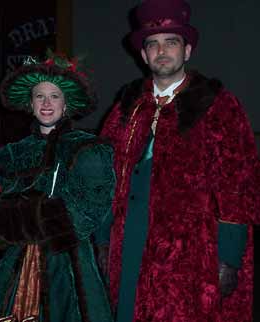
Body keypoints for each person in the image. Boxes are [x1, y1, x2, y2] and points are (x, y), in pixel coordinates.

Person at [100, 1, 260, 321]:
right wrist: (103, 241)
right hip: (130, 239)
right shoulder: (126, 107)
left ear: (187, 51)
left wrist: (227, 257)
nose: (162, 51)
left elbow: (240, 187)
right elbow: (103, 177)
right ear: (143, 55)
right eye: (153, 44)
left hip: (191, 252)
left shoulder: (218, 106)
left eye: (170, 42)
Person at [0, 55, 115, 322]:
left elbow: (89, 209)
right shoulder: (11, 154)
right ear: (30, 104)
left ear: (66, 104)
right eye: (39, 96)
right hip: (17, 262)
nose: (46, 103)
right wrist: (22, 218)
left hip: (68, 263)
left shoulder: (85, 149)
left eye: (54, 96)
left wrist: (25, 219)